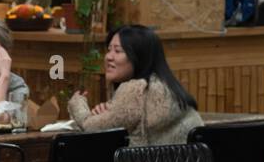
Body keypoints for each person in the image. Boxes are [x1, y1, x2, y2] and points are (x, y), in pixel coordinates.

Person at [68, 24, 203, 146]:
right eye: (109, 50)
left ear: (139, 56)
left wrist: (78, 103)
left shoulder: (136, 90)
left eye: (118, 51)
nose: (109, 57)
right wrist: (112, 109)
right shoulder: (167, 86)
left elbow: (90, 128)